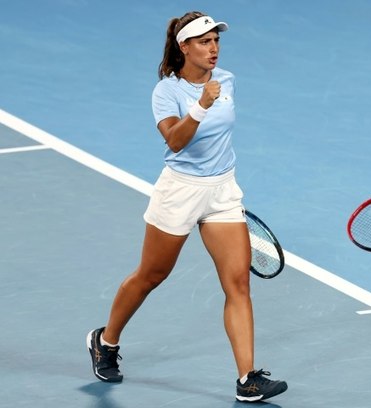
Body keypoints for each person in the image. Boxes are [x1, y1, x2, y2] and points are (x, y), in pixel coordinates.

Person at [86, 11, 287, 403]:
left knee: (238, 283)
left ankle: (247, 378)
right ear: (184, 47)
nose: (214, 49)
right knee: (151, 275)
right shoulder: (167, 92)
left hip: (222, 191)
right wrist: (200, 106)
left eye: (216, 41)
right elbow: (175, 142)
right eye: (204, 42)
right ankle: (105, 340)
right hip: (180, 191)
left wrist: (211, 101)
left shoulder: (226, 80)